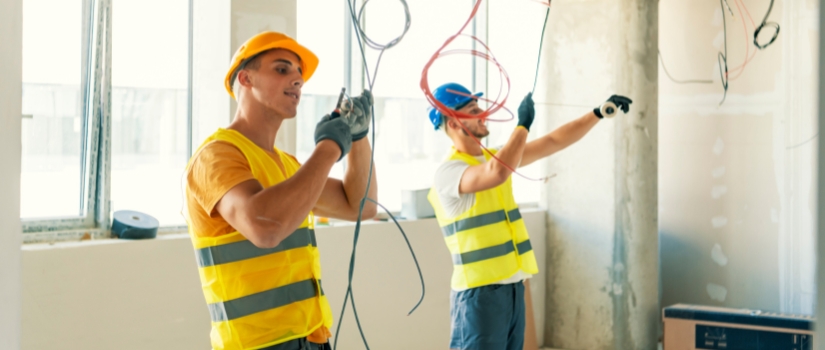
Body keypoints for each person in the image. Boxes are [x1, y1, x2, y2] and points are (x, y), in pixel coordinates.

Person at [184, 31, 377, 350]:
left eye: (300, 74)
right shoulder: (215, 156)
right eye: (282, 69)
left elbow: (361, 206)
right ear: (245, 78)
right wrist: (329, 148)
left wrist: (358, 137)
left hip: (313, 339)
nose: (298, 80)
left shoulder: (287, 165)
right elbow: (265, 228)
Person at [426, 82, 632, 350]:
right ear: (454, 123)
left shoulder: (495, 156)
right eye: (474, 109)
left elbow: (554, 141)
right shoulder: (449, 172)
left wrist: (598, 113)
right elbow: (495, 173)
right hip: (479, 294)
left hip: (512, 288)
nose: (484, 113)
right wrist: (522, 126)